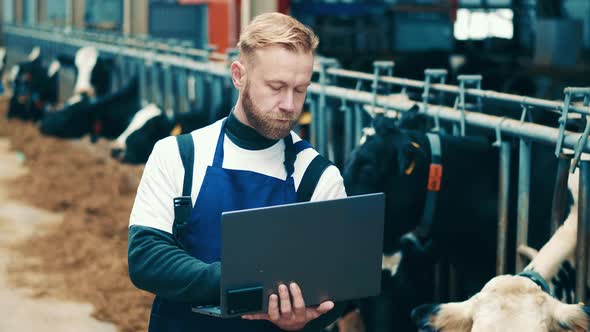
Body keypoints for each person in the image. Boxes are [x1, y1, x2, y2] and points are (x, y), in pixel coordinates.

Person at [127, 12, 347, 331]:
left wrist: (304, 320)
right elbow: (147, 258)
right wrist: (250, 283)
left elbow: (335, 291)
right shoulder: (179, 155)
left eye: (300, 89)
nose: (289, 104)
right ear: (238, 75)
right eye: (276, 86)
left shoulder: (318, 177)